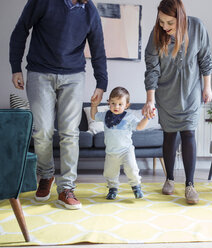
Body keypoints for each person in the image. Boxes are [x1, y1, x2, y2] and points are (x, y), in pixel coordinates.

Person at [9, 0, 108, 210]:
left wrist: (101, 83)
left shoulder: (90, 10)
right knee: (42, 131)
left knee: (70, 133)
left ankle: (67, 188)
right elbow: (21, 29)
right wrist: (15, 67)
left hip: (73, 76)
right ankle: (46, 176)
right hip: (39, 73)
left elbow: (98, 47)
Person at [142, 0, 212, 204]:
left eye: (169, 22)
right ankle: (170, 179)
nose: (164, 26)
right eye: (161, 21)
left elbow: (205, 59)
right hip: (167, 95)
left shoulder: (197, 27)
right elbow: (152, 69)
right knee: (170, 135)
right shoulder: (157, 35)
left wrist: (207, 87)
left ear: (180, 17)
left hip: (191, 93)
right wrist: (150, 100)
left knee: (189, 133)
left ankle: (190, 185)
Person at [91, 87, 150, 200]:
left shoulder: (129, 117)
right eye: (113, 103)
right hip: (111, 152)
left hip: (126, 150)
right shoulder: (105, 115)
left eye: (120, 104)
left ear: (126, 105)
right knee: (110, 172)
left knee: (132, 169)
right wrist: (94, 105)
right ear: (108, 102)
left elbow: (139, 126)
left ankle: (136, 186)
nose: (116, 107)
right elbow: (94, 116)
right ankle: (112, 188)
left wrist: (146, 117)